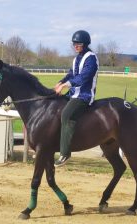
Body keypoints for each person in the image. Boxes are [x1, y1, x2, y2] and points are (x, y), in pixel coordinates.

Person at [54, 30, 99, 167]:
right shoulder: (76, 58)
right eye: (74, 43)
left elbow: (84, 77)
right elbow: (71, 74)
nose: (76, 46)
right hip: (72, 94)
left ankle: (65, 154)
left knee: (66, 115)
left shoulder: (91, 58)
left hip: (84, 96)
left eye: (78, 43)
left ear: (85, 44)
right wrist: (61, 82)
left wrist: (66, 85)